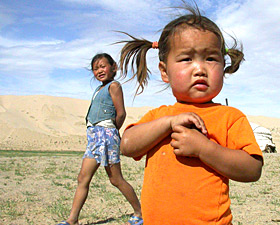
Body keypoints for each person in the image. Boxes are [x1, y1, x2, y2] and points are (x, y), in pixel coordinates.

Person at [118, 4, 263, 225]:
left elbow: (252, 169)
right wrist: (168, 123)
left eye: (211, 59)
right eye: (187, 59)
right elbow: (127, 145)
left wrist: (205, 149)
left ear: (223, 66)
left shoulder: (230, 117)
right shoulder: (159, 115)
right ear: (165, 72)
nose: (199, 69)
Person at [57, 53, 143, 225]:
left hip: (106, 135)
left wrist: (111, 132)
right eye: (95, 68)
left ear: (114, 67)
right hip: (94, 138)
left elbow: (121, 113)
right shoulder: (99, 89)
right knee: (83, 178)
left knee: (116, 179)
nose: (99, 71)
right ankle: (72, 220)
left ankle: (140, 212)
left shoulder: (114, 86)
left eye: (103, 66)